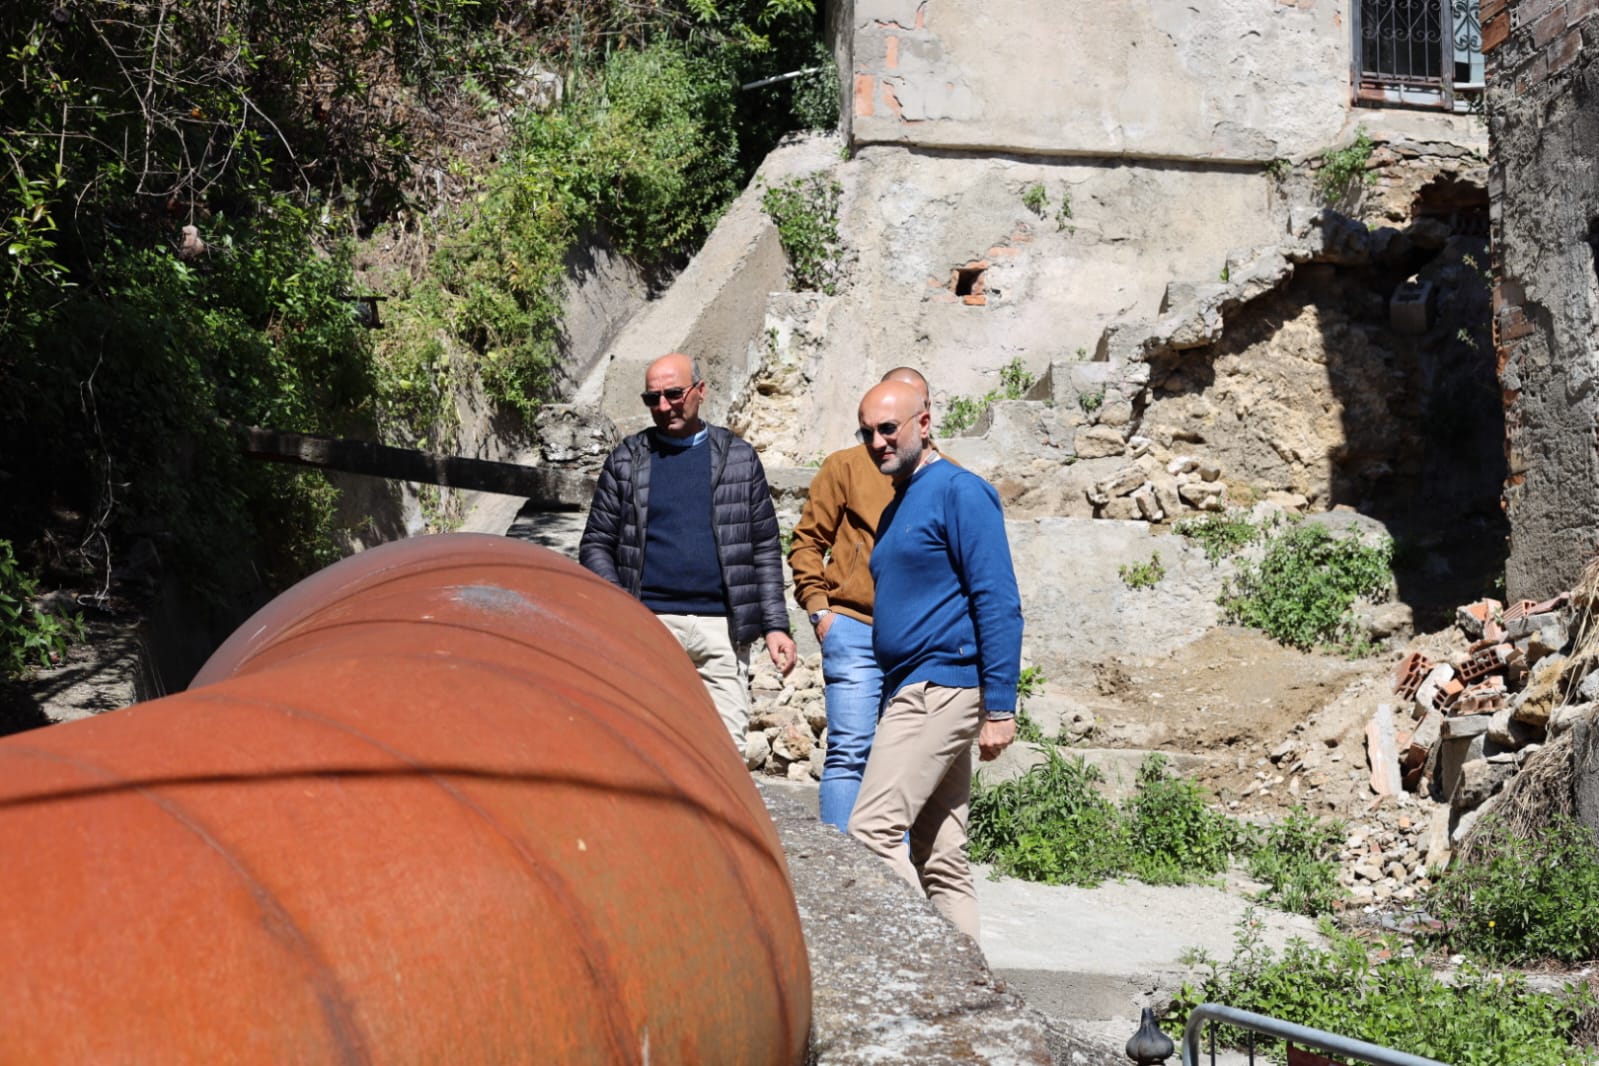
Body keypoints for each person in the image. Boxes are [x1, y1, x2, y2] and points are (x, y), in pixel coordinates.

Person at [846, 379, 1022, 942]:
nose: (877, 442)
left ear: (924, 423)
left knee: (871, 834)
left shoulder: (960, 491)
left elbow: (998, 600)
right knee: (941, 858)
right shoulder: (900, 502)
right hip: (912, 688)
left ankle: (922, 977)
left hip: (939, 687)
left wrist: (1000, 707)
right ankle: (975, 1005)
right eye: (867, 432)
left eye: (888, 428)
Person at [580, 352, 797, 749]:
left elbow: (764, 547)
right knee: (647, 749)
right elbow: (596, 544)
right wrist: (623, 611)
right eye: (653, 399)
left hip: (722, 630)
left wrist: (776, 625)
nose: (664, 407)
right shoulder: (627, 460)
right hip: (650, 625)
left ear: (700, 391)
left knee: (727, 755)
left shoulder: (738, 458)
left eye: (674, 394)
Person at [789, 367, 938, 831]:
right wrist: (819, 609)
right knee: (851, 751)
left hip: (917, 639)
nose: (882, 437)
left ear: (924, 417)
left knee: (905, 758)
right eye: (873, 424)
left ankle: (897, 876)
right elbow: (807, 540)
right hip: (853, 626)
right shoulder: (846, 466)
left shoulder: (945, 478)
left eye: (894, 420)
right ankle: (840, 870)